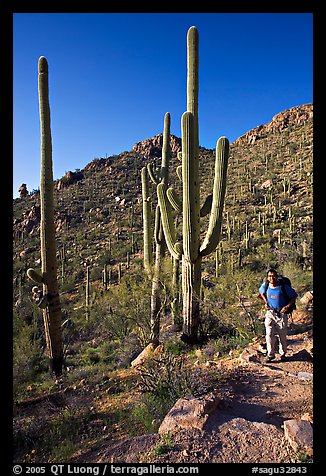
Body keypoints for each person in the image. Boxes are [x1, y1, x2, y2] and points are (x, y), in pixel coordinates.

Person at [259, 268, 297, 363]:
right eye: (269, 276)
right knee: (269, 334)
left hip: (281, 314)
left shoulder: (282, 287)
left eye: (273, 276)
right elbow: (261, 292)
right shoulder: (266, 285)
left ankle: (283, 354)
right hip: (270, 313)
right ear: (267, 278)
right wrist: (265, 302)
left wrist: (287, 306)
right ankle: (270, 354)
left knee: (282, 336)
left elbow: (294, 296)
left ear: (276, 276)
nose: (271, 278)